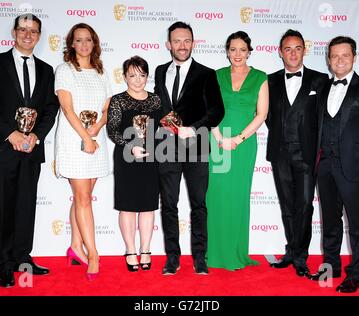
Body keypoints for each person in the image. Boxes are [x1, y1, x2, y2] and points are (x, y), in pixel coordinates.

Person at [0, 13, 59, 288]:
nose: (28, 35)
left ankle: (24, 259)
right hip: (2, 149)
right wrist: (10, 134)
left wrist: (36, 136)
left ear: (38, 36)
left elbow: (51, 108)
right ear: (14, 32)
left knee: (26, 207)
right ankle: (5, 266)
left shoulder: (47, 70)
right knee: (5, 208)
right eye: (23, 29)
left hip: (31, 150)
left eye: (34, 31)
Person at [310, 36, 359, 293]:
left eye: (345, 55)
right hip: (325, 166)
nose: (340, 60)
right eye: (335, 56)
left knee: (357, 222)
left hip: (355, 167)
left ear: (354, 58)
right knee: (330, 221)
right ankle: (330, 265)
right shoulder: (322, 88)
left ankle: (357, 273)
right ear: (329, 59)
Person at [154, 21, 224, 275]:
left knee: (199, 204)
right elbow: (158, 107)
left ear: (193, 43)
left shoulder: (207, 73)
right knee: (169, 205)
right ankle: (172, 258)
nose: (182, 46)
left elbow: (217, 112)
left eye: (186, 41)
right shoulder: (160, 71)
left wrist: (193, 128)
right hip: (166, 149)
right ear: (168, 44)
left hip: (197, 148)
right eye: (177, 41)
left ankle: (200, 257)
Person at [266, 29, 329, 277]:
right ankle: (291, 252)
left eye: (298, 48)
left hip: (308, 154)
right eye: (288, 48)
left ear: (305, 50)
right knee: (287, 206)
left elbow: (326, 116)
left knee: (304, 206)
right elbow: (267, 115)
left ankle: (301, 256)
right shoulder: (269, 81)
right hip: (280, 152)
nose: (293, 53)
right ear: (280, 52)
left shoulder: (320, 80)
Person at [206, 31, 268, 270]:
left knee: (238, 198)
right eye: (233, 49)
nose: (238, 54)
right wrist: (221, 138)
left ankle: (235, 252)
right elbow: (209, 110)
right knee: (216, 196)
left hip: (244, 144)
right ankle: (215, 253)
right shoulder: (216, 76)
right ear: (227, 51)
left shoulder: (260, 77)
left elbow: (261, 114)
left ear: (249, 51)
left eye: (242, 49)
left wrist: (238, 138)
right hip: (216, 142)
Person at [54, 23, 112, 281]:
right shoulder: (64, 70)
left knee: (83, 197)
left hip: (95, 139)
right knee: (83, 199)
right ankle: (93, 255)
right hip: (73, 140)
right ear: (72, 44)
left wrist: (96, 130)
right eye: (79, 40)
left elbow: (107, 107)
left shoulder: (101, 71)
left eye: (88, 39)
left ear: (94, 42)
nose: (84, 44)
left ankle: (75, 246)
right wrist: (85, 138)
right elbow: (67, 109)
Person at [107, 56, 162, 272]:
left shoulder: (156, 100)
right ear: (124, 77)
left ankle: (146, 249)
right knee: (127, 206)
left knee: (148, 206)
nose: (137, 80)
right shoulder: (118, 100)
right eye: (132, 75)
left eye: (142, 75)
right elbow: (112, 129)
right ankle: (130, 250)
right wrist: (130, 146)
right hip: (126, 157)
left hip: (151, 156)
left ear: (147, 76)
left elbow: (167, 123)